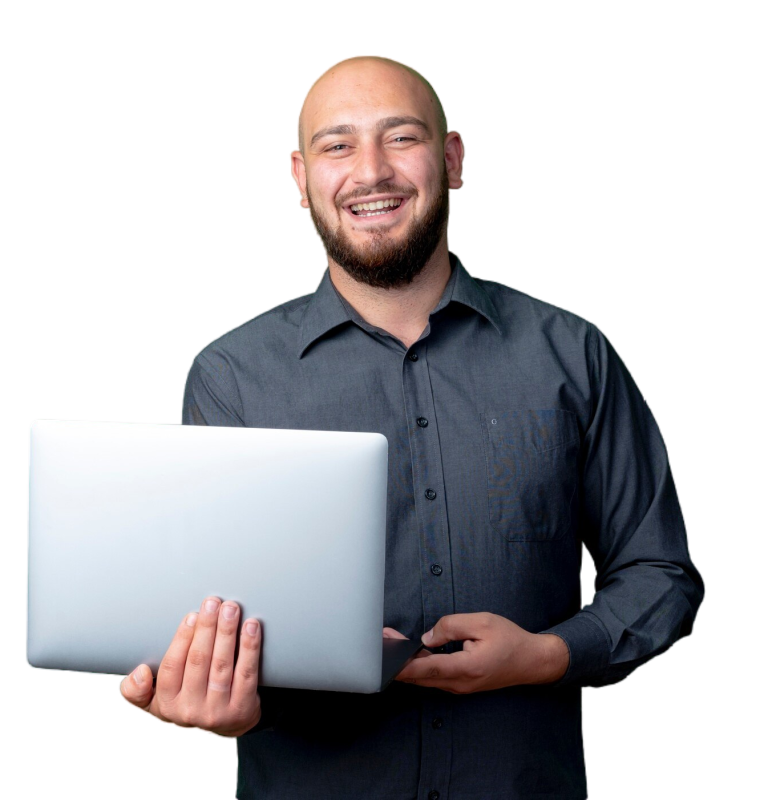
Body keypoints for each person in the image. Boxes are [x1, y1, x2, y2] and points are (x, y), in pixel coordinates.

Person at [119, 55, 705, 798]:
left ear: (452, 159)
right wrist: (223, 707)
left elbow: (662, 573)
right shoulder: (230, 377)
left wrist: (548, 654)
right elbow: (210, 614)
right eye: (337, 145)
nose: (371, 171)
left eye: (401, 138)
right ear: (300, 181)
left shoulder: (574, 352)